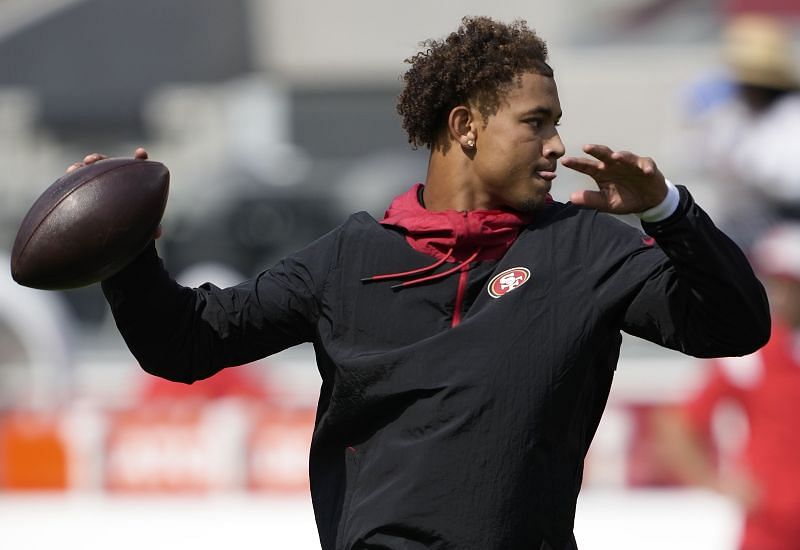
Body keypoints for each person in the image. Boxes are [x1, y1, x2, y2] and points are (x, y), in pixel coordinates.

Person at [71, 16, 769, 550]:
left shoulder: (587, 248)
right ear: (465, 126)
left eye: (557, 124)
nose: (558, 144)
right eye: (536, 124)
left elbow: (734, 326)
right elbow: (184, 344)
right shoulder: (350, 258)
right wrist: (125, 255)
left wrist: (668, 213)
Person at [653, 224, 800, 550]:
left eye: (790, 285)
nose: (781, 294)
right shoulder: (753, 355)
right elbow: (678, 423)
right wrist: (715, 482)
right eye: (778, 283)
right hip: (772, 531)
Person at [677, 14, 800, 252]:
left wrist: (744, 166)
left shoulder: (791, 115)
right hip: (738, 224)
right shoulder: (730, 114)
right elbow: (692, 157)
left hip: (786, 225)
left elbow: (788, 181)